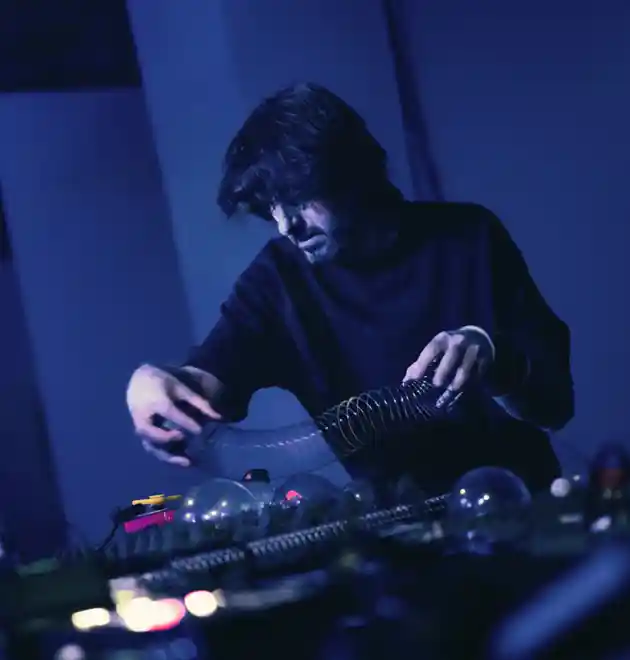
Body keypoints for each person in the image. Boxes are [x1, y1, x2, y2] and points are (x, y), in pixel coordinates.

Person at [126, 83, 573, 495]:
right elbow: (207, 384)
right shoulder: (277, 279)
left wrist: (490, 355)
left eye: (297, 199)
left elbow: (555, 407)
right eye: (271, 207)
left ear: (350, 173)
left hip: (522, 507)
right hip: (402, 533)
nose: (286, 226)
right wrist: (154, 384)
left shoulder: (470, 236)